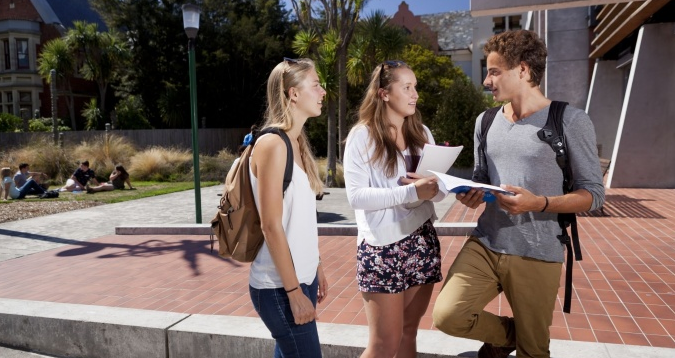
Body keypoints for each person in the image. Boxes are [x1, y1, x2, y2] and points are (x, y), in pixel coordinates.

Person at [432, 30, 605, 358]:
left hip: (538, 250)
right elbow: (483, 180)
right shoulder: (485, 122)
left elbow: (594, 194)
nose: (486, 80)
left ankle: (524, 338)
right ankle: (509, 336)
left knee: (534, 351)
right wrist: (471, 194)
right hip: (487, 241)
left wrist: (539, 203)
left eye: (494, 71)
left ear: (523, 71)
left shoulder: (570, 121)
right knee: (448, 315)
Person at [343, 60, 448, 358]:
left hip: (422, 240)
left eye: (415, 87)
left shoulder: (423, 132)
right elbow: (357, 197)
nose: (415, 94)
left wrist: (436, 188)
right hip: (382, 247)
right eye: (407, 87)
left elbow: (434, 195)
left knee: (408, 333)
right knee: (383, 344)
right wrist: (411, 190)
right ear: (384, 94)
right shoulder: (362, 136)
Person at [248, 57, 328, 357]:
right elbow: (271, 225)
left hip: (301, 280)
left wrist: (316, 264)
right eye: (316, 85)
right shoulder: (272, 144)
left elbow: (300, 220)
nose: (322, 92)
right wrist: (294, 292)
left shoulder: (297, 144)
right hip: (278, 288)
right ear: (293, 93)